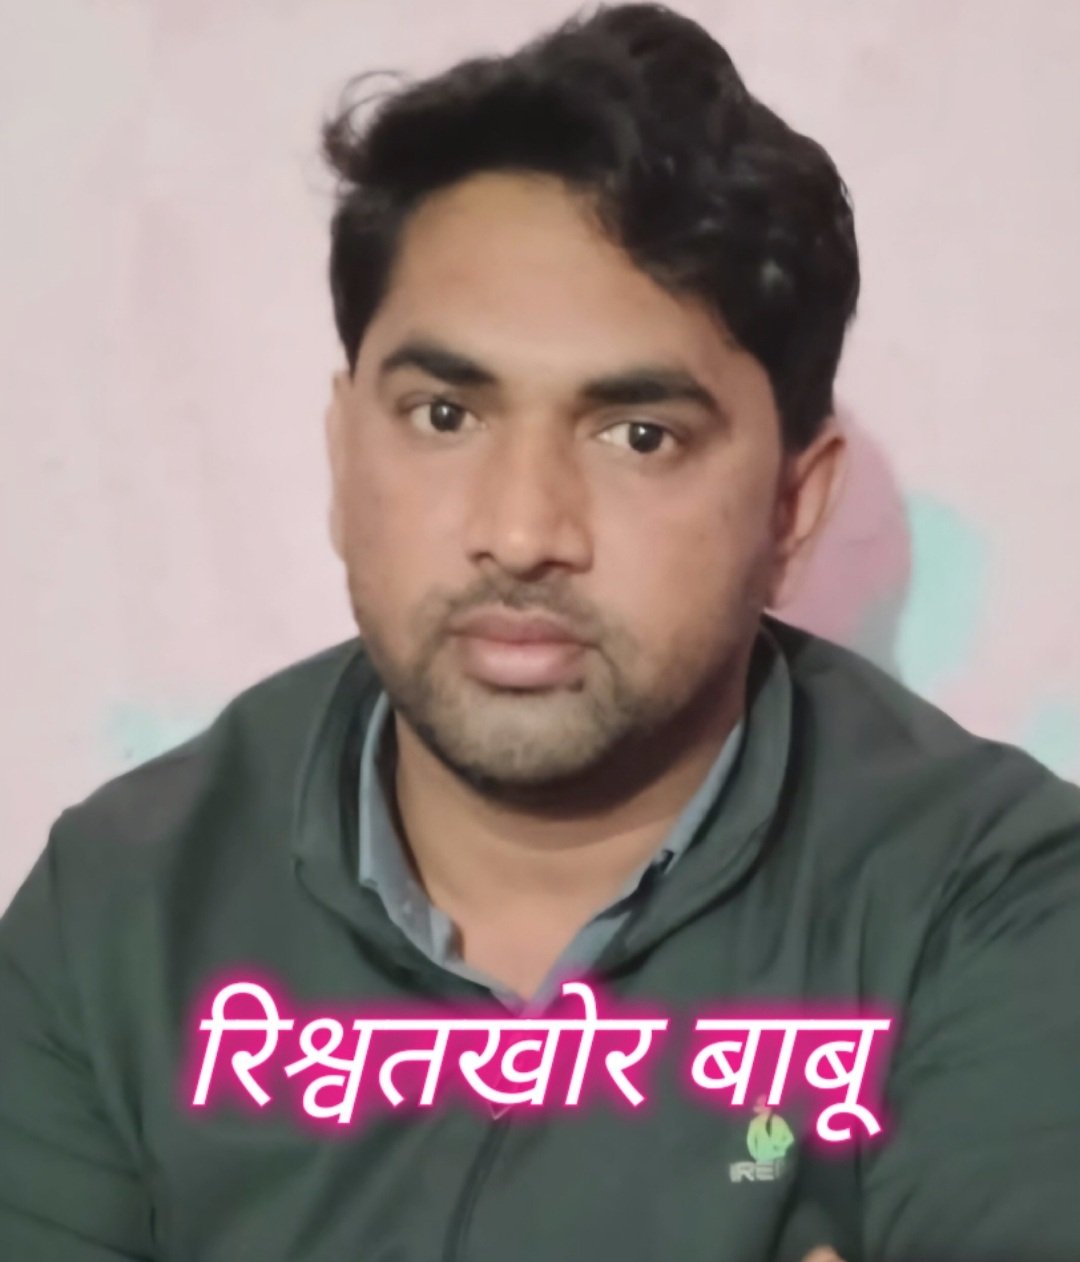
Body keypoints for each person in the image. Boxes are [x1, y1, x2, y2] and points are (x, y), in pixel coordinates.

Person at [2, 4, 1078, 1260]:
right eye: (445, 415)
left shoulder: (991, 903)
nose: (521, 532)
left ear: (793, 507)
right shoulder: (123, 909)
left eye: (639, 435)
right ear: (344, 452)